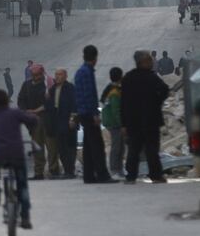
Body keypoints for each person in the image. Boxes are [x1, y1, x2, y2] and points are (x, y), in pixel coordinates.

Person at [0, 89, 38, 230]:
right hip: (17, 155)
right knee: (22, 187)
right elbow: (32, 120)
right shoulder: (15, 113)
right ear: (7, 102)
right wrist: (33, 116)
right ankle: (25, 217)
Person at [121, 50, 170, 184]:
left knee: (134, 149)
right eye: (149, 60)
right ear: (142, 62)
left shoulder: (128, 78)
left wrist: (124, 123)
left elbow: (123, 103)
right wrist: (157, 102)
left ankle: (131, 176)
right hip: (151, 120)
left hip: (133, 121)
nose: (151, 62)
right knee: (152, 149)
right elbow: (165, 90)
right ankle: (156, 175)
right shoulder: (152, 77)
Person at [73, 45, 115, 184]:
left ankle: (89, 175)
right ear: (95, 57)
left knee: (88, 145)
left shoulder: (80, 71)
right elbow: (90, 94)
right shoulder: (87, 72)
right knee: (97, 145)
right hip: (89, 113)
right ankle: (102, 175)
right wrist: (95, 114)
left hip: (83, 113)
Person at [16, 64, 49, 180]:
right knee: (37, 146)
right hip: (32, 121)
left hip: (46, 119)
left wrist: (36, 111)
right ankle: (39, 172)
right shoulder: (27, 85)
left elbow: (49, 102)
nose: (36, 77)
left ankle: (54, 170)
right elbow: (20, 99)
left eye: (38, 75)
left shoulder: (47, 85)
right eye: (34, 75)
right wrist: (26, 111)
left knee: (51, 146)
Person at [100, 67, 125, 177]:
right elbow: (116, 110)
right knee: (117, 147)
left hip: (110, 122)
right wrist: (122, 124)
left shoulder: (110, 88)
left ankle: (119, 169)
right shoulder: (115, 92)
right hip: (114, 123)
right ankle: (115, 170)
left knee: (120, 146)